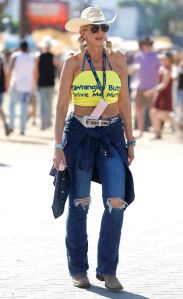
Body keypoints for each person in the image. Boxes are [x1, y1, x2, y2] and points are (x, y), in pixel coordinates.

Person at [51, 6, 135, 291]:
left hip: (111, 135)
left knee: (116, 203)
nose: (101, 33)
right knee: (80, 204)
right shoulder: (73, 62)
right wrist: (57, 145)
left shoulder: (119, 60)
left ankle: (108, 270)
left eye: (104, 28)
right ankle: (78, 269)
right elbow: (62, 106)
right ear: (83, 33)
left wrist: (130, 139)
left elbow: (124, 103)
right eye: (95, 28)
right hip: (79, 134)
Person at [144, 52, 178, 139]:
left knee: (162, 115)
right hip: (160, 94)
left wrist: (152, 91)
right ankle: (158, 133)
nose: (162, 60)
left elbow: (164, 84)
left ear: (169, 60)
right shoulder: (162, 68)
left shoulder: (169, 70)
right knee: (153, 113)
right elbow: (158, 82)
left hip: (166, 95)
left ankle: (179, 125)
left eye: (164, 59)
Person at [133, 36, 160, 138]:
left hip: (152, 88)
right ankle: (140, 131)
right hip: (140, 87)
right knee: (139, 110)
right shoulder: (138, 56)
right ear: (142, 45)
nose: (147, 46)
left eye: (149, 44)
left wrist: (156, 88)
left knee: (153, 111)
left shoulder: (156, 56)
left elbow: (159, 72)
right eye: (145, 44)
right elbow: (135, 71)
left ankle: (157, 132)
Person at [7, 40, 36, 135]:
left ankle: (11, 125)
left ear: (20, 47)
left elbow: (9, 70)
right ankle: (22, 129)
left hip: (15, 84)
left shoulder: (15, 56)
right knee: (24, 108)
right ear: (27, 47)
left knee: (12, 106)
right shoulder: (31, 57)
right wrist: (33, 85)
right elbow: (34, 72)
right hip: (26, 86)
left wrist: (7, 84)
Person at [36, 37, 58, 130]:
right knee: (49, 104)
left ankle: (43, 123)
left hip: (41, 83)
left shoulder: (38, 56)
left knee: (42, 104)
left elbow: (36, 70)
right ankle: (48, 122)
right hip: (50, 83)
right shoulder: (53, 57)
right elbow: (57, 68)